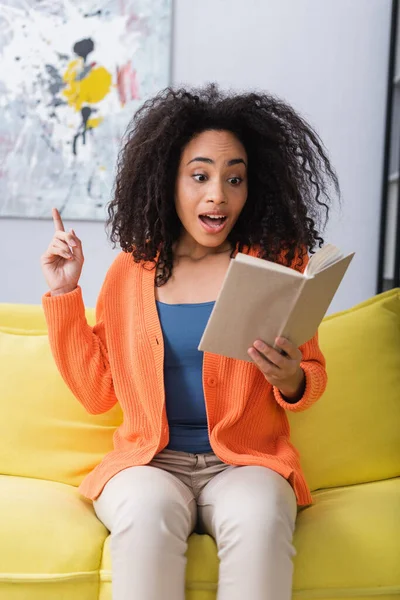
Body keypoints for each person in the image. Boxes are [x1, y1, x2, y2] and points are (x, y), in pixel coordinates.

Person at [40, 83, 339, 600]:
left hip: (245, 462)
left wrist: (289, 377)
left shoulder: (276, 262)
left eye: (234, 179)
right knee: (145, 515)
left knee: (262, 518)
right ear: (167, 182)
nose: (217, 195)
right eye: (199, 176)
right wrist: (66, 292)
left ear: (254, 187)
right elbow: (96, 394)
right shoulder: (131, 270)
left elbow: (310, 377)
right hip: (150, 463)